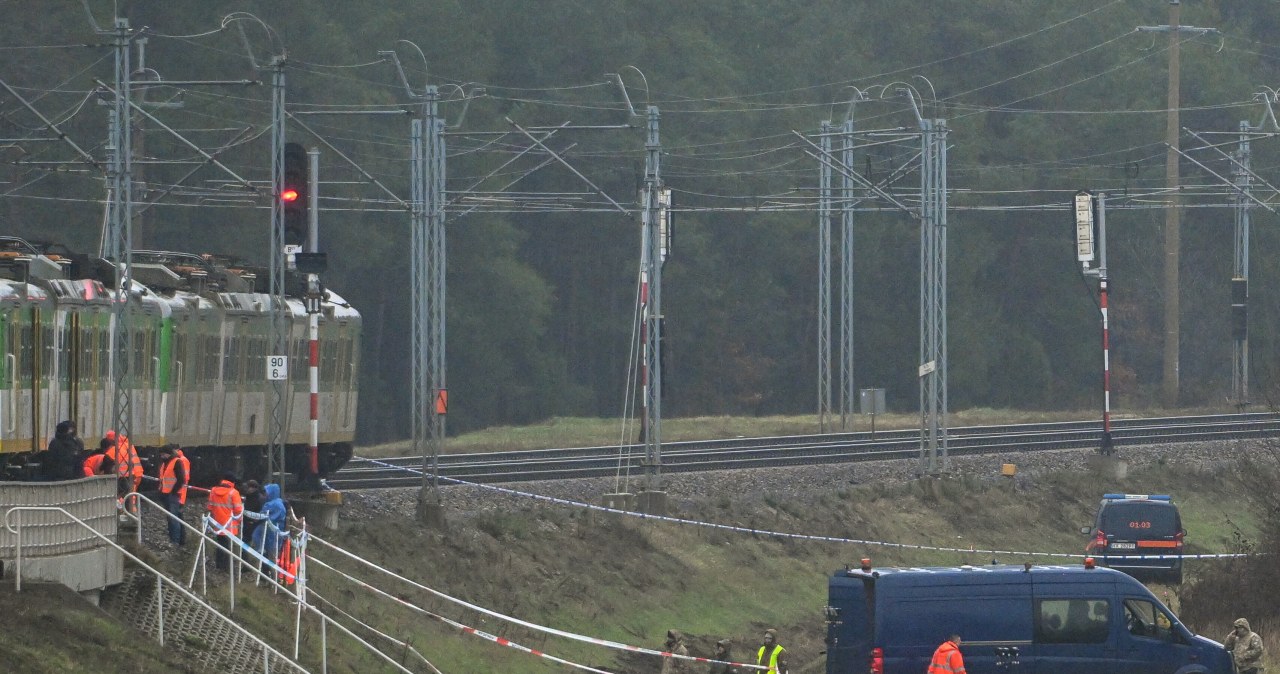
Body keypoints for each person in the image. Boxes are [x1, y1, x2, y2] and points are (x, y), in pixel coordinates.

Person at [206, 473, 243, 570]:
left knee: (220, 544)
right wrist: (239, 521)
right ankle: (226, 567)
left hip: (217, 523)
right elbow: (238, 510)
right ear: (232, 482)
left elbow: (209, 507)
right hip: (230, 525)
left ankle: (219, 565)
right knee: (228, 546)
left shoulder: (213, 490)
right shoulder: (234, 493)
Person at [156, 445, 189, 546]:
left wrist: (173, 491)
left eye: (163, 454)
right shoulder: (165, 463)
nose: (161, 456)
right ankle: (175, 540)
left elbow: (181, 480)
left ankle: (175, 541)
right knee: (171, 518)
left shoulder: (176, 462)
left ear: (168, 453)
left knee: (173, 518)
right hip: (166, 494)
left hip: (172, 495)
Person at [250, 483, 288, 559]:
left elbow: (260, 516)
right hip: (277, 531)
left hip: (270, 531)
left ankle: (265, 567)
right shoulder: (279, 502)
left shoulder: (270, 504)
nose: (265, 495)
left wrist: (251, 517)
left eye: (266, 492)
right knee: (274, 553)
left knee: (269, 552)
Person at [241, 480, 265, 544]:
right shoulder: (249, 496)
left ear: (253, 488)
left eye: (248, 487)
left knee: (247, 541)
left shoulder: (258, 498)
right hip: (247, 522)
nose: (246, 489)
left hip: (252, 523)